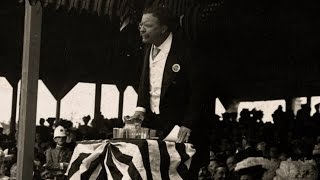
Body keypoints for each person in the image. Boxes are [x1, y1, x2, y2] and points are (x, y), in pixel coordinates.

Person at [130, 6, 210, 178]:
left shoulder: (186, 51)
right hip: (154, 124)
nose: (141, 29)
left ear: (163, 28)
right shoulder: (147, 49)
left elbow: (199, 91)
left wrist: (188, 124)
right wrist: (140, 110)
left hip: (180, 127)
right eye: (141, 24)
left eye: (148, 25)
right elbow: (145, 83)